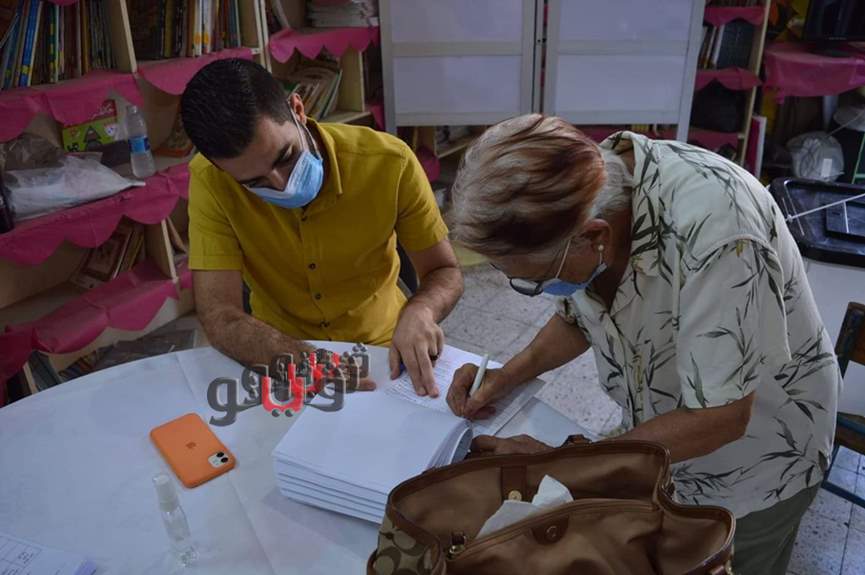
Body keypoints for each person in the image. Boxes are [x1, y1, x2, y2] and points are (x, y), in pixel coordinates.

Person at [445, 114, 840, 575]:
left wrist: (558, 464)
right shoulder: (584, 197)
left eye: (535, 281)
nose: (539, 289)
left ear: (595, 237)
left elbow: (722, 417)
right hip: (667, 433)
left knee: (724, 561)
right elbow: (578, 318)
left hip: (757, 460)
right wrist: (505, 376)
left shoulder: (719, 237)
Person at [180, 59, 462, 396]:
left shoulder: (389, 162)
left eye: (286, 157)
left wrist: (421, 310)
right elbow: (218, 313)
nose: (282, 185)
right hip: (277, 351)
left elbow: (444, 270)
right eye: (255, 183)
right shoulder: (211, 181)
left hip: (384, 346)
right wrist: (296, 359)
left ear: (298, 110)